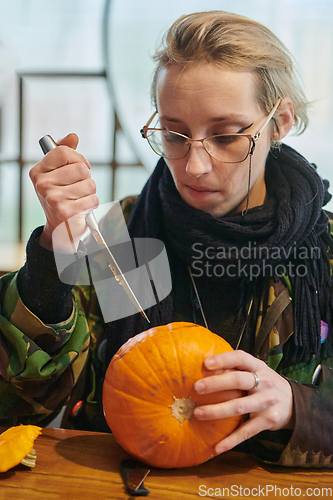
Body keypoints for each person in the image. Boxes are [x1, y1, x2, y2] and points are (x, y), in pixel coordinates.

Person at [1, 10, 333, 468]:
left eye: (227, 136)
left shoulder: (325, 252)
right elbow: (22, 404)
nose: (194, 167)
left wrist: (300, 408)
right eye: (174, 135)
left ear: (281, 122)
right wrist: (54, 249)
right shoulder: (121, 238)